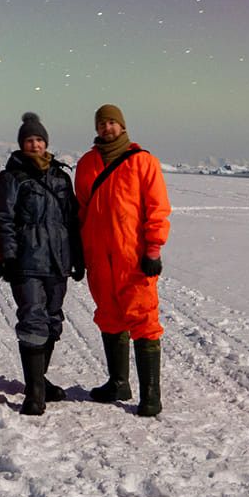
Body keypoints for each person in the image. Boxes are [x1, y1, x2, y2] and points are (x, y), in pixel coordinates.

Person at [74, 103, 173, 418]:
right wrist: (80, 252)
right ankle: (118, 383)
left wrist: (153, 249)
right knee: (109, 316)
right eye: (101, 124)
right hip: (99, 258)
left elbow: (157, 208)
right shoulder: (87, 164)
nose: (107, 128)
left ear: (122, 126)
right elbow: (82, 211)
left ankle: (151, 396)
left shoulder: (143, 162)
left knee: (143, 320)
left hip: (133, 258)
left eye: (112, 123)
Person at [0, 111, 82, 416]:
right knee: (32, 321)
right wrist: (9, 255)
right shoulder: (11, 177)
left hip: (58, 262)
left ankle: (38, 379)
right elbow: (2, 218)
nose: (35, 145)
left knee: (53, 321)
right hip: (27, 262)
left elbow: (72, 221)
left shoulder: (60, 177)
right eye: (29, 140)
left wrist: (77, 257)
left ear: (46, 143)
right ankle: (35, 393)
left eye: (39, 140)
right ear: (21, 144)